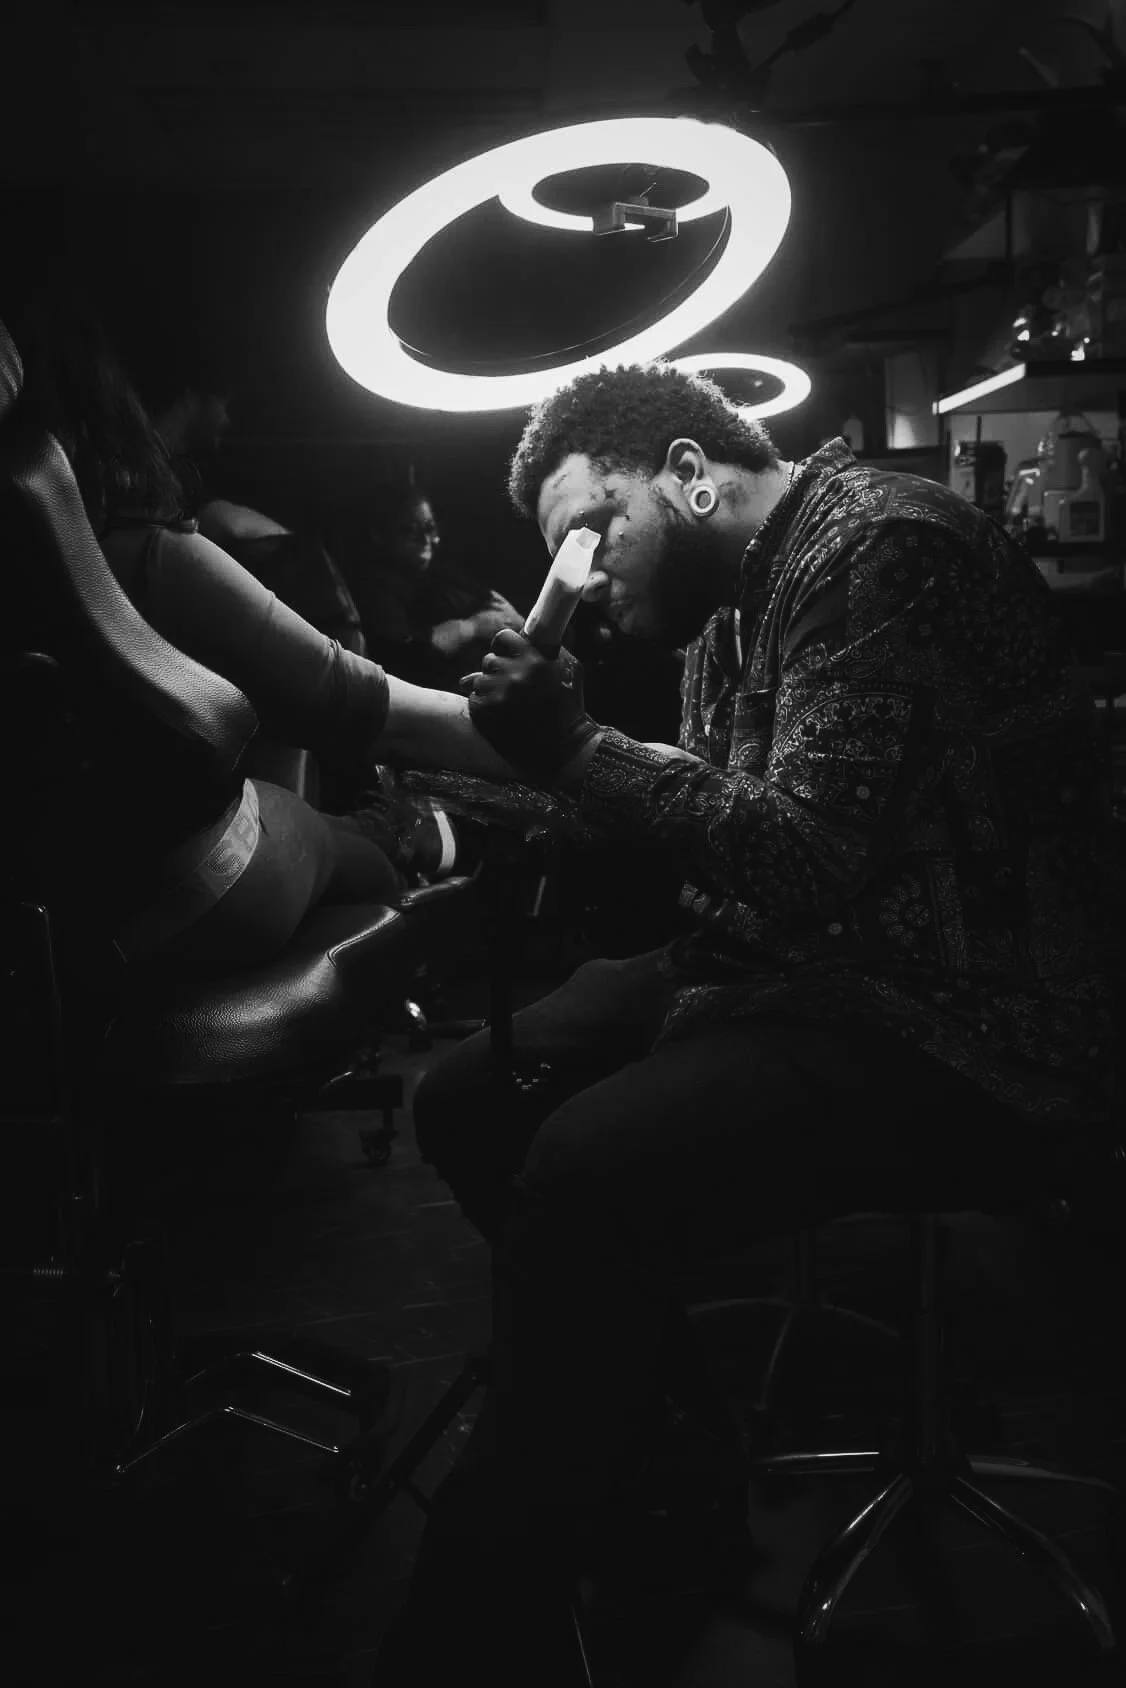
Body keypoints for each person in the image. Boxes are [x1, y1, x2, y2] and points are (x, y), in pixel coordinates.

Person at [371, 362, 1118, 1682]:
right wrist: (524, 797)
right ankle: (665, 1468)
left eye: (587, 534)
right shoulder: (730, 603)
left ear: (688, 471)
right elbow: (714, 838)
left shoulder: (880, 553)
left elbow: (806, 860)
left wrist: (574, 750)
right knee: (467, 1099)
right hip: (810, 967)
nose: (579, 579)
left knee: (590, 1169)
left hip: (963, 1023)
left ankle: (490, 1617)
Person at [5, 286, 515, 977]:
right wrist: (564, 745)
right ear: (105, 395)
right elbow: (362, 701)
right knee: (353, 839)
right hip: (182, 896)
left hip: (48, 927)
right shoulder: (146, 556)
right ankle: (407, 836)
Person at [334, 473, 526, 692]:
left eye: (431, 528)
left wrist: (516, 624)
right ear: (379, 533)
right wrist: (472, 627)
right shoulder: (375, 587)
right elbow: (406, 653)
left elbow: (499, 607)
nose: (428, 540)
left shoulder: (441, 571)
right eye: (410, 529)